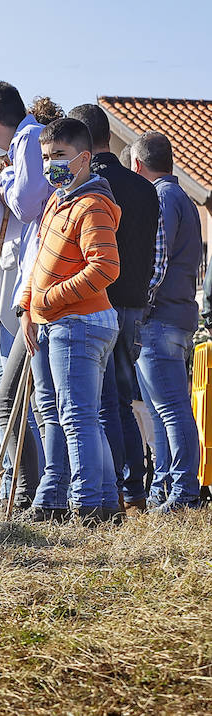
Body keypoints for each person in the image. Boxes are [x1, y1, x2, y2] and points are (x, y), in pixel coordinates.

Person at [19, 118, 122, 523]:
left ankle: (87, 504)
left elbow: (106, 267)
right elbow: (39, 262)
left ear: (84, 158)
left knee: (77, 417)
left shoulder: (92, 204)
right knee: (75, 415)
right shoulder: (57, 202)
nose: (50, 165)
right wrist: (30, 307)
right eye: (45, 157)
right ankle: (103, 499)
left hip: (79, 323)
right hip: (52, 323)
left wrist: (50, 300)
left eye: (59, 156)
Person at [0, 85, 53, 509]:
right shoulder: (26, 141)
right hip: (19, 300)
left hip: (31, 294)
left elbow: (27, 201)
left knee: (18, 402)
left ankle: (24, 493)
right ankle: (22, 491)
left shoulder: (29, 140)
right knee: (19, 402)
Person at [69, 103, 158, 513]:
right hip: (134, 306)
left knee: (98, 403)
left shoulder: (84, 187)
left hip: (96, 302)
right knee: (124, 401)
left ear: (82, 144)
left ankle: (113, 490)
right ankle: (134, 490)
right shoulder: (143, 187)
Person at [131, 132, 204, 511]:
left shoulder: (160, 198)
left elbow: (156, 261)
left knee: (171, 407)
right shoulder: (184, 200)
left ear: (136, 166)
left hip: (159, 317)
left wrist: (138, 307)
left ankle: (183, 492)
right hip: (176, 315)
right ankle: (165, 486)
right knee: (163, 408)